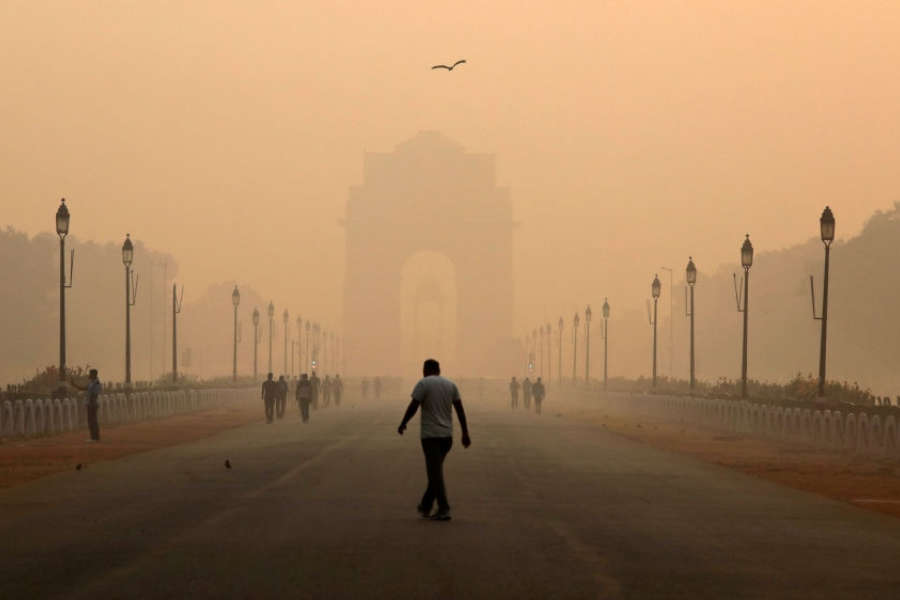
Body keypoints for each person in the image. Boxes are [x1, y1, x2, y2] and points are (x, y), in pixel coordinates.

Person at [397, 359, 471, 522]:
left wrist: (403, 422)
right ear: (439, 370)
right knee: (435, 472)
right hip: (447, 437)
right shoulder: (451, 385)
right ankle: (425, 504)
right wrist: (465, 432)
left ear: (426, 369)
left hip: (430, 436)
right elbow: (460, 410)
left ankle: (444, 509)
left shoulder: (423, 383)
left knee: (435, 474)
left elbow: (414, 406)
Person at [70, 368, 102, 442]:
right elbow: (83, 388)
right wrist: (74, 384)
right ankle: (93, 437)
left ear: (94, 375)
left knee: (93, 421)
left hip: (93, 404)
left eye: (90, 374)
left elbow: (95, 394)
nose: (89, 375)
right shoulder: (91, 383)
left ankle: (95, 437)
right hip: (90, 404)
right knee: (91, 421)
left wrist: (91, 403)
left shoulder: (96, 383)